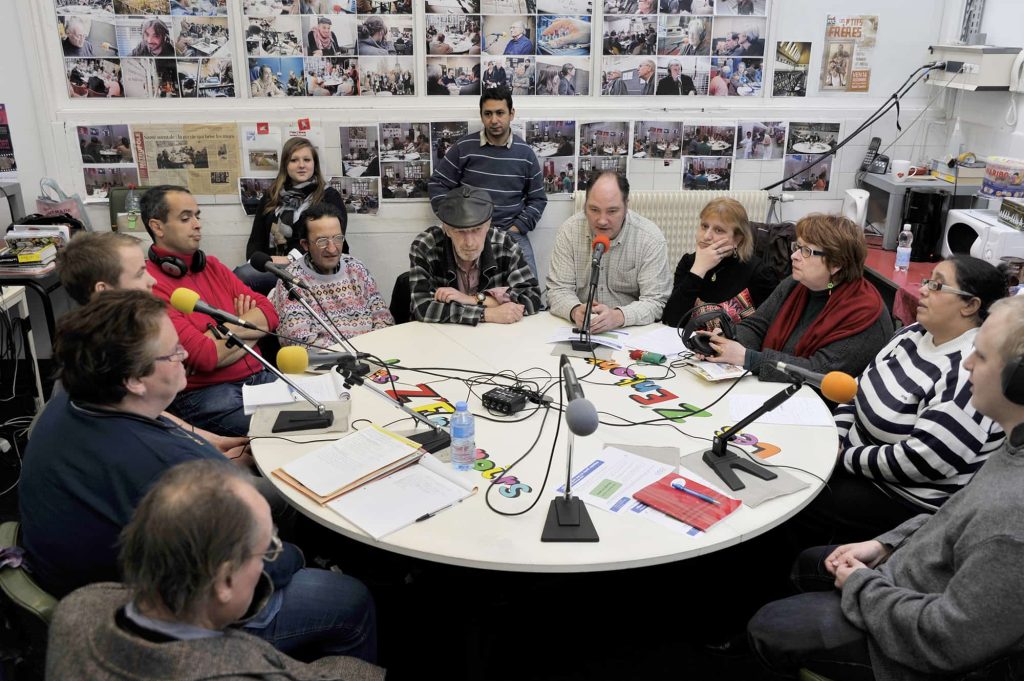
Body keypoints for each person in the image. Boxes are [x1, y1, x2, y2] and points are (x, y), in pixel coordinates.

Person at [20, 291, 377, 664]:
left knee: (280, 502)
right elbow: (254, 568)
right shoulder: (171, 468)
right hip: (149, 622)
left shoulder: (77, 397)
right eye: (173, 353)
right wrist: (296, 558)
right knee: (349, 599)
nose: (186, 357)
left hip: (91, 582)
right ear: (133, 379)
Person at [748, 294, 1024, 681]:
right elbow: (954, 512)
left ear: (1019, 380)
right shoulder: (1015, 446)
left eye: (981, 355)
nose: (967, 363)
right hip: (902, 579)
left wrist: (863, 586)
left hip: (912, 643)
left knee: (768, 628)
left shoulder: (1014, 519)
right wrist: (886, 544)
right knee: (806, 565)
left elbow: (947, 640)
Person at [46, 460, 385, 681]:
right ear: (223, 581)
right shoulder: (242, 671)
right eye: (267, 550)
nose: (268, 558)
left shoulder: (77, 607)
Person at [795, 256, 1007, 543]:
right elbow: (855, 392)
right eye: (927, 281)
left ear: (970, 306)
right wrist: (834, 437)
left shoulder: (967, 368)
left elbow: (925, 460)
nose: (922, 290)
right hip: (854, 460)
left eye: (938, 285)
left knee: (800, 497)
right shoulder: (912, 334)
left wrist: (841, 458)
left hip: (904, 497)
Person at [54, 231, 252, 460]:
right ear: (103, 290)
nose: (153, 280)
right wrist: (223, 461)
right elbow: (141, 443)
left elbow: (155, 414)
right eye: (140, 273)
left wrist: (214, 441)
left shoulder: (115, 333)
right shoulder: (105, 356)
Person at [143, 185, 280, 436]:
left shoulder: (212, 266)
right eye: (185, 218)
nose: (197, 224)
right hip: (209, 395)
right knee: (289, 431)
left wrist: (219, 335)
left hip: (259, 376)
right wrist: (249, 326)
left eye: (197, 215)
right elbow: (205, 356)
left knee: (324, 414)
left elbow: (269, 312)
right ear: (158, 227)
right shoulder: (150, 285)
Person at [702, 214, 894, 383]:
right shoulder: (796, 285)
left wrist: (747, 358)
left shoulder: (864, 313)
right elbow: (757, 326)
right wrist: (724, 340)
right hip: (778, 387)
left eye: (806, 251)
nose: (794, 256)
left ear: (837, 264)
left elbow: (818, 372)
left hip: (822, 406)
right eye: (798, 247)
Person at [428, 87, 546, 276]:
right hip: (469, 232)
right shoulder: (464, 147)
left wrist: (517, 227)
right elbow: (437, 184)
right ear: (481, 116)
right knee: (459, 290)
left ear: (511, 114)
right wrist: (454, 222)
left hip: (510, 233)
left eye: (500, 113)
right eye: (488, 114)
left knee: (529, 290)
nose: (494, 120)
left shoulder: (526, 154)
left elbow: (538, 199)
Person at [546, 171, 672, 333]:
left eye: (612, 211)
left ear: (626, 206)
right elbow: (558, 290)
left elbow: (656, 301)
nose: (602, 220)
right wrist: (575, 310)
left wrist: (618, 316)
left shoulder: (650, 238)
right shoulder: (569, 231)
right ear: (585, 205)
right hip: (580, 328)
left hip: (630, 331)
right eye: (594, 210)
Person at [410, 186, 541, 325]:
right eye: (460, 231)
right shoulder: (426, 245)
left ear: (488, 224)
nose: (469, 243)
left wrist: (472, 299)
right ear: (447, 229)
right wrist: (487, 313)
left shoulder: (505, 245)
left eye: (477, 230)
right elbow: (422, 307)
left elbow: (532, 298)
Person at [270, 203, 392, 346]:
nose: (332, 248)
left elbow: (384, 320)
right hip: (326, 365)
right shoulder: (291, 281)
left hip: (372, 355)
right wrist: (351, 352)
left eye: (337, 239)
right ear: (305, 245)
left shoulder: (357, 269)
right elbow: (299, 342)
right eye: (322, 241)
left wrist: (370, 349)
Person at [240, 137, 346, 294]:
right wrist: (256, 261)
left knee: (243, 276)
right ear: (285, 165)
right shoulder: (272, 196)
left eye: (307, 160)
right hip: (273, 266)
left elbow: (330, 237)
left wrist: (288, 259)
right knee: (240, 276)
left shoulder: (328, 196)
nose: (301, 165)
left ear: (314, 164)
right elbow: (256, 239)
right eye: (294, 160)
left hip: (313, 266)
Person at [661, 198, 775, 329]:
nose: (706, 236)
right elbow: (671, 320)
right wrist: (698, 270)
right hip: (687, 344)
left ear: (738, 239)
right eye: (704, 226)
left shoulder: (758, 272)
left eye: (718, 230)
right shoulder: (688, 263)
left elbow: (767, 328)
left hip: (734, 347)